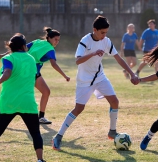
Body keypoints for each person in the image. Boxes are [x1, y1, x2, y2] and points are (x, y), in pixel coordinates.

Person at [52, 15, 139, 150]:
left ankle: (112, 131)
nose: (104, 35)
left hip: (99, 77)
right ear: (95, 30)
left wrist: (132, 73)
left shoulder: (106, 41)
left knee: (115, 101)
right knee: (78, 109)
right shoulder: (85, 41)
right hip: (84, 80)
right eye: (102, 32)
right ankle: (58, 136)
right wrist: (93, 53)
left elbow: (118, 58)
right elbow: (78, 61)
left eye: (106, 32)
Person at [0, 34, 50, 162]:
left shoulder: (8, 58)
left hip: (8, 102)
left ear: (10, 47)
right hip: (27, 102)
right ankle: (40, 160)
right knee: (35, 133)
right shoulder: (31, 59)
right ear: (23, 46)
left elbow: (8, 72)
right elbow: (33, 77)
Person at [27, 27, 70, 124]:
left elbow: (22, 48)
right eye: (55, 39)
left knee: (46, 91)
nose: (57, 42)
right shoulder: (50, 49)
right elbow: (54, 64)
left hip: (29, 71)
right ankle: (2, 112)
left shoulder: (37, 41)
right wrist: (65, 76)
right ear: (49, 38)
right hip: (30, 73)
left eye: (58, 40)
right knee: (22, 95)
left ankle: (41, 117)